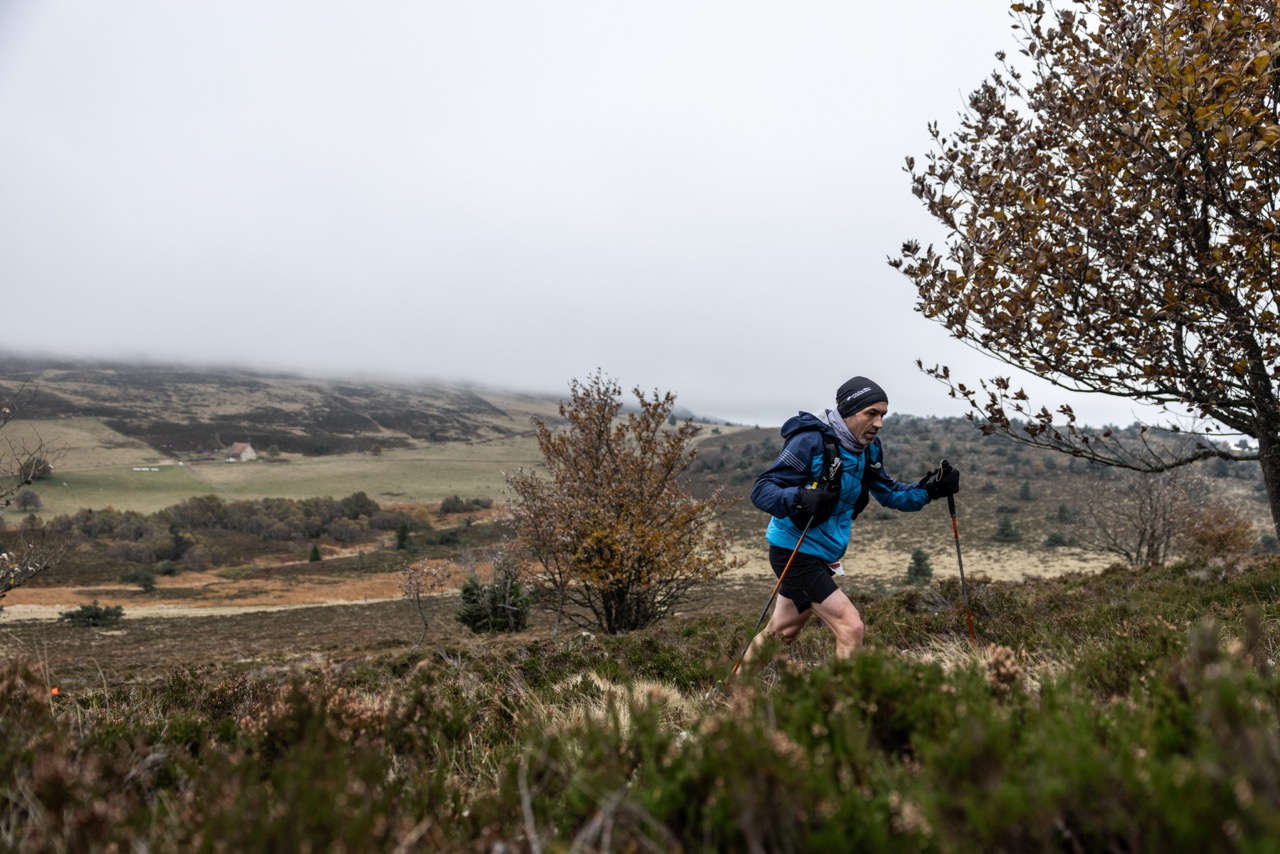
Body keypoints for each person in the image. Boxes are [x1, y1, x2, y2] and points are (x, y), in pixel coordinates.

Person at [740, 376, 959, 666]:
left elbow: (890, 493)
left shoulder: (869, 449)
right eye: (871, 413)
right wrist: (800, 497)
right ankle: (844, 694)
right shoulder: (810, 441)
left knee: (782, 631)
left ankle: (736, 688)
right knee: (851, 626)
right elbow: (762, 489)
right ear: (848, 412)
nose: (879, 423)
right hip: (795, 549)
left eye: (883, 415)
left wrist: (930, 490)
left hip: (824, 552)